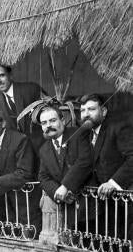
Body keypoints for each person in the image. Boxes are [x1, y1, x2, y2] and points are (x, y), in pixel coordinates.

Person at [0, 109, 41, 233]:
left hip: (24, 203)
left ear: (3, 123)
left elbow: (24, 173)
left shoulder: (20, 140)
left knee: (29, 240)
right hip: (4, 206)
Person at [80, 94, 133, 239]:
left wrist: (113, 183)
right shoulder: (86, 134)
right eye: (82, 110)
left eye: (91, 109)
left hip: (125, 200)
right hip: (104, 204)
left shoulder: (118, 128)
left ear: (103, 111)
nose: (86, 114)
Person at [37, 106, 94, 229]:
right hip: (68, 208)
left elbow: (85, 162)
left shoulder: (78, 134)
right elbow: (43, 176)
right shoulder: (44, 149)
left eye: (52, 120)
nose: (48, 125)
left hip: (89, 206)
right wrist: (57, 192)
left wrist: (65, 186)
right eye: (44, 123)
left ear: (62, 121)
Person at [0, 63, 44, 148]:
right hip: (20, 147)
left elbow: (49, 110)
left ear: (10, 75)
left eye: (2, 75)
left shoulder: (31, 89)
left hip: (41, 143)